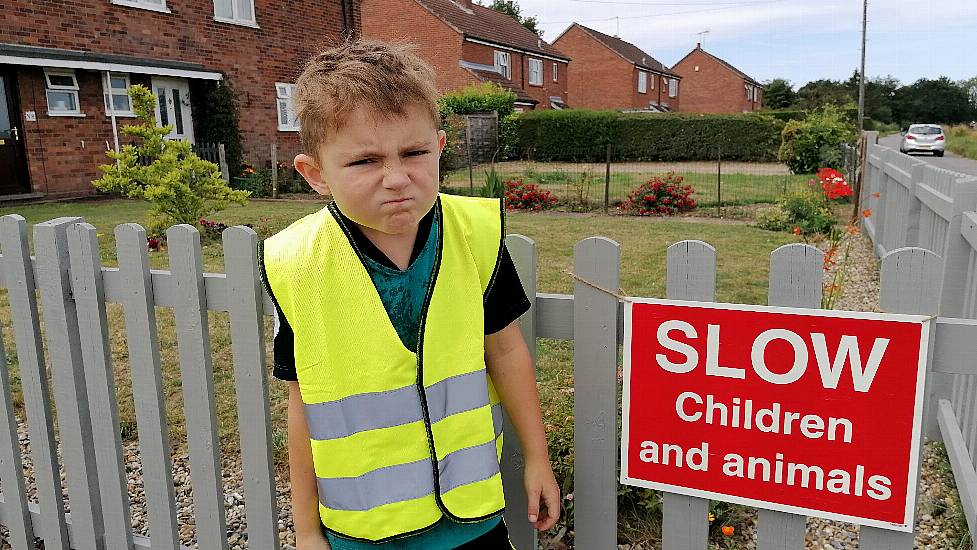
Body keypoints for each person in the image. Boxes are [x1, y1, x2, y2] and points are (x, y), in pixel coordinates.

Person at [260, 39, 560, 550]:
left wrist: (537, 456)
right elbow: (302, 403)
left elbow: (505, 350)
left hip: (473, 521)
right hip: (365, 531)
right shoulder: (297, 264)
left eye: (414, 153)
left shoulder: (475, 236)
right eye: (364, 161)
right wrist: (307, 531)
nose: (397, 178)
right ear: (316, 174)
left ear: (440, 147)